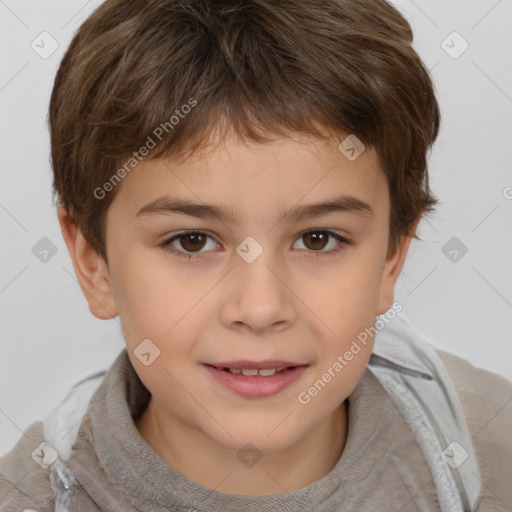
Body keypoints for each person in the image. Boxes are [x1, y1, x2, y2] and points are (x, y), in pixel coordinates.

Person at [1, 0, 511, 510]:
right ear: (94, 263)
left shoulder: (492, 447)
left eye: (318, 239)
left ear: (390, 258)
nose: (261, 308)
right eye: (192, 241)